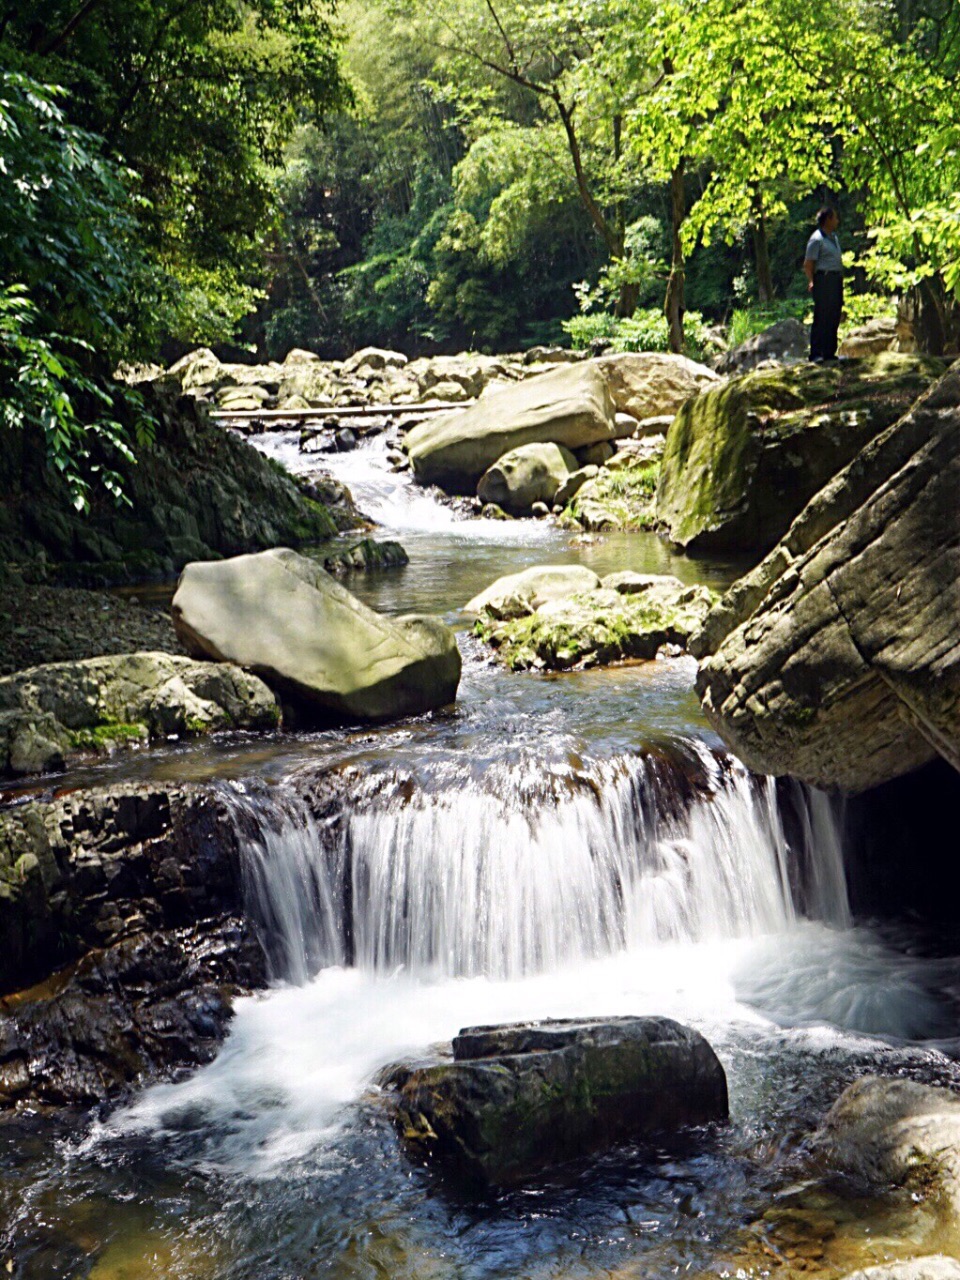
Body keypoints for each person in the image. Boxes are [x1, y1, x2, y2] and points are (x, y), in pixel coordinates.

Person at [803, 207, 844, 362]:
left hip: (835, 280)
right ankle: (816, 353)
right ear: (828, 219)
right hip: (823, 280)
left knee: (834, 315)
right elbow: (808, 263)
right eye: (835, 218)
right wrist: (812, 280)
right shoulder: (816, 239)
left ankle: (829, 352)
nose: (837, 221)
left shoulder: (834, 238)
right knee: (822, 316)